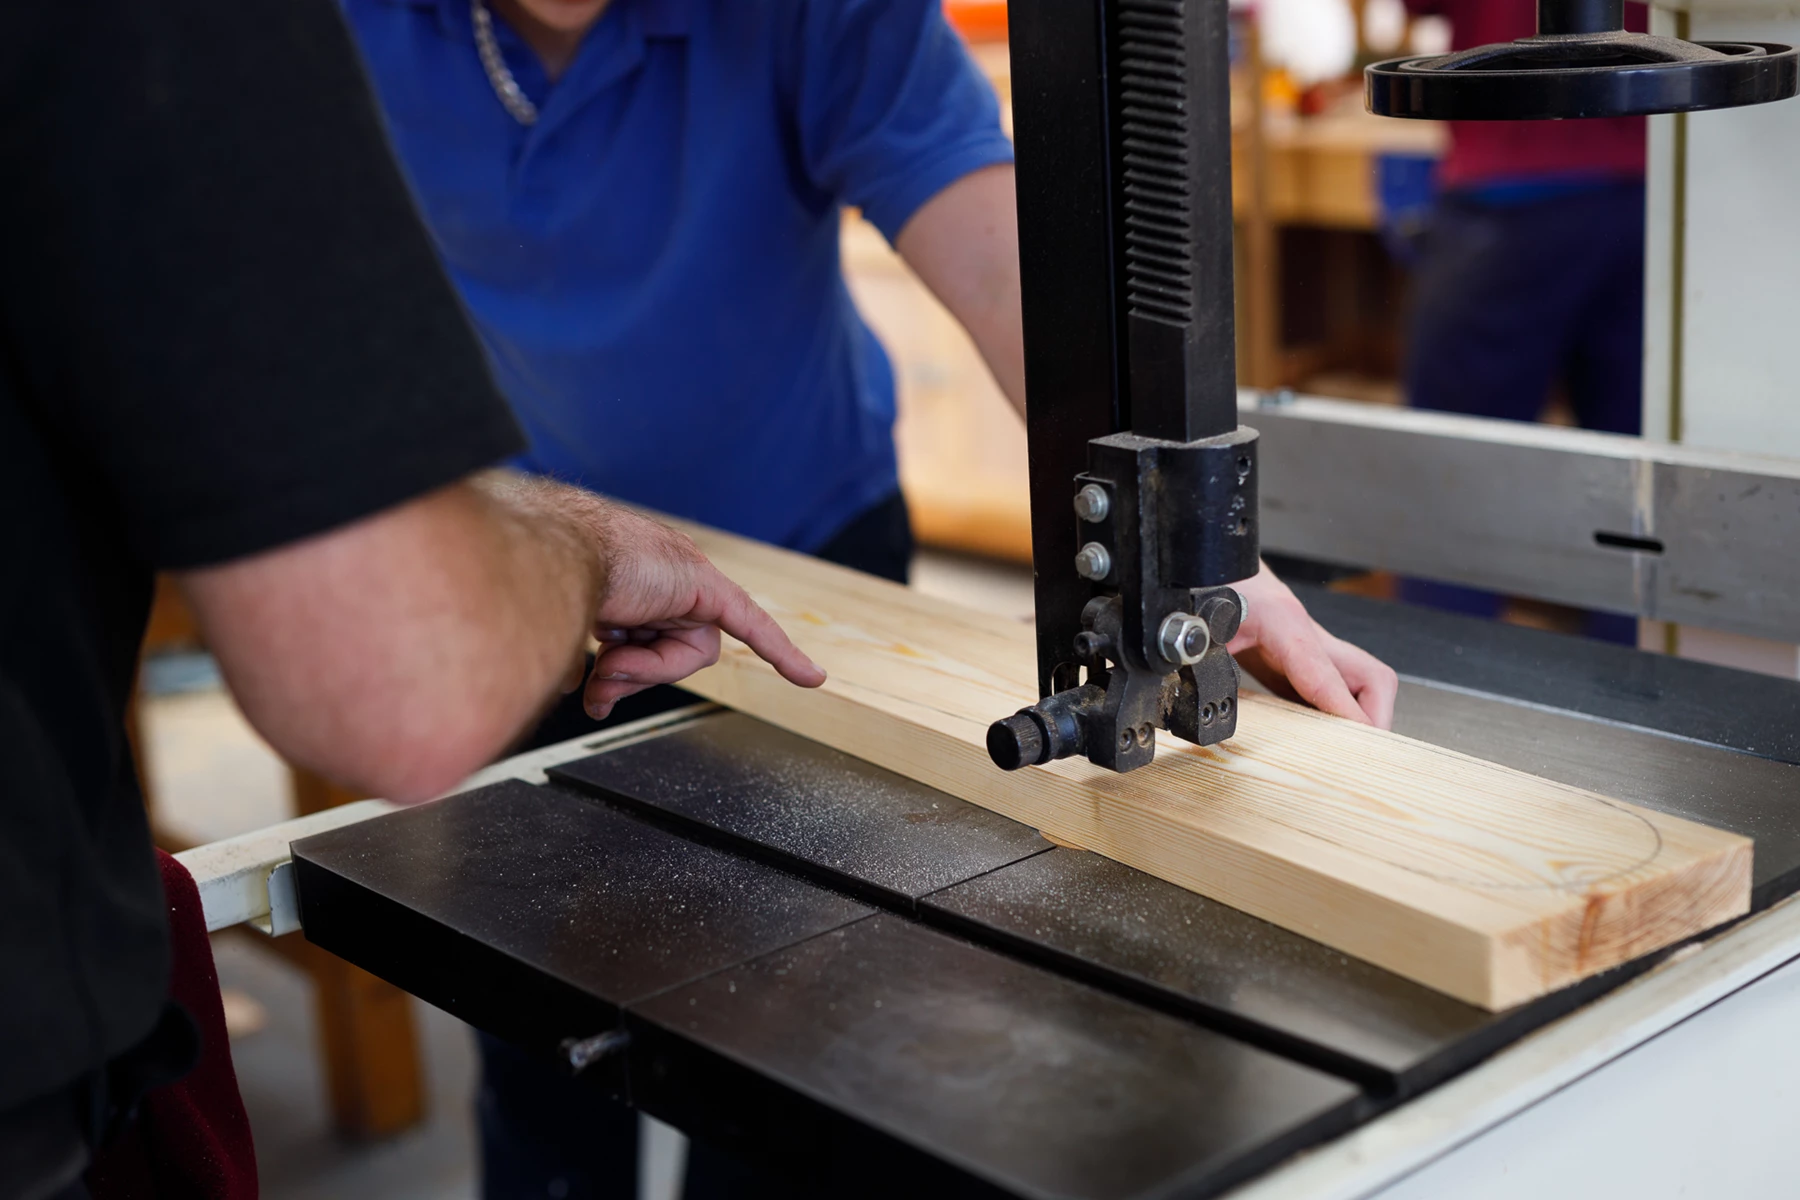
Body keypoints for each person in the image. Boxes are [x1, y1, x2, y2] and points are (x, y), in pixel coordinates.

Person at [338, 0, 1401, 1194]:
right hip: (516, 575)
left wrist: (1199, 551)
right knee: (539, 1037)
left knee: (788, 1030)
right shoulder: (327, 29)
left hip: (800, 571)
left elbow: (1017, 283)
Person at [0, 2, 824, 1196]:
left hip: (732, 560)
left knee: (779, 1064)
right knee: (554, 1046)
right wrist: (583, 553)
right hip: (511, 588)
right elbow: (400, 677)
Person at [1401, 0, 1648, 641]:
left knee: (1460, 468)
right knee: (1635, 476)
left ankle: (1437, 685)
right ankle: (1638, 692)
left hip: (1511, 189)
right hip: (1642, 183)